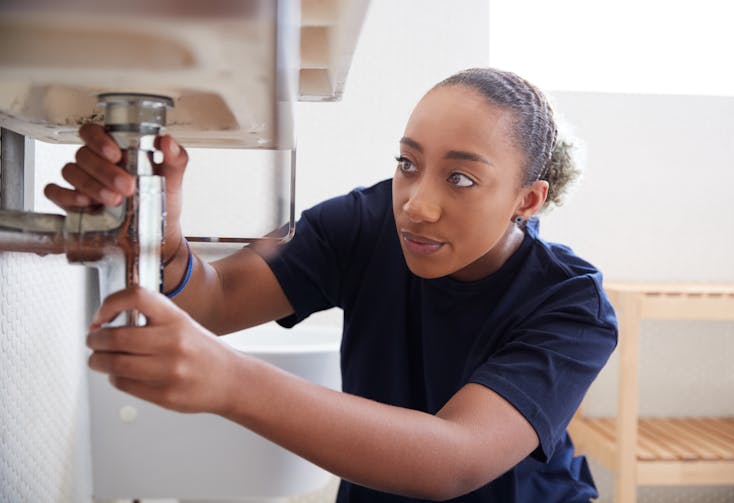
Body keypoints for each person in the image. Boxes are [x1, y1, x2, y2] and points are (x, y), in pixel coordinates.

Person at [46, 68, 617, 501]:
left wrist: (230, 380)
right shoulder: (364, 223)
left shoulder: (570, 304)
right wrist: (158, 236)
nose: (416, 205)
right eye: (408, 163)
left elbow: (455, 459)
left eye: (461, 178)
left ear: (527, 199)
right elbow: (215, 300)